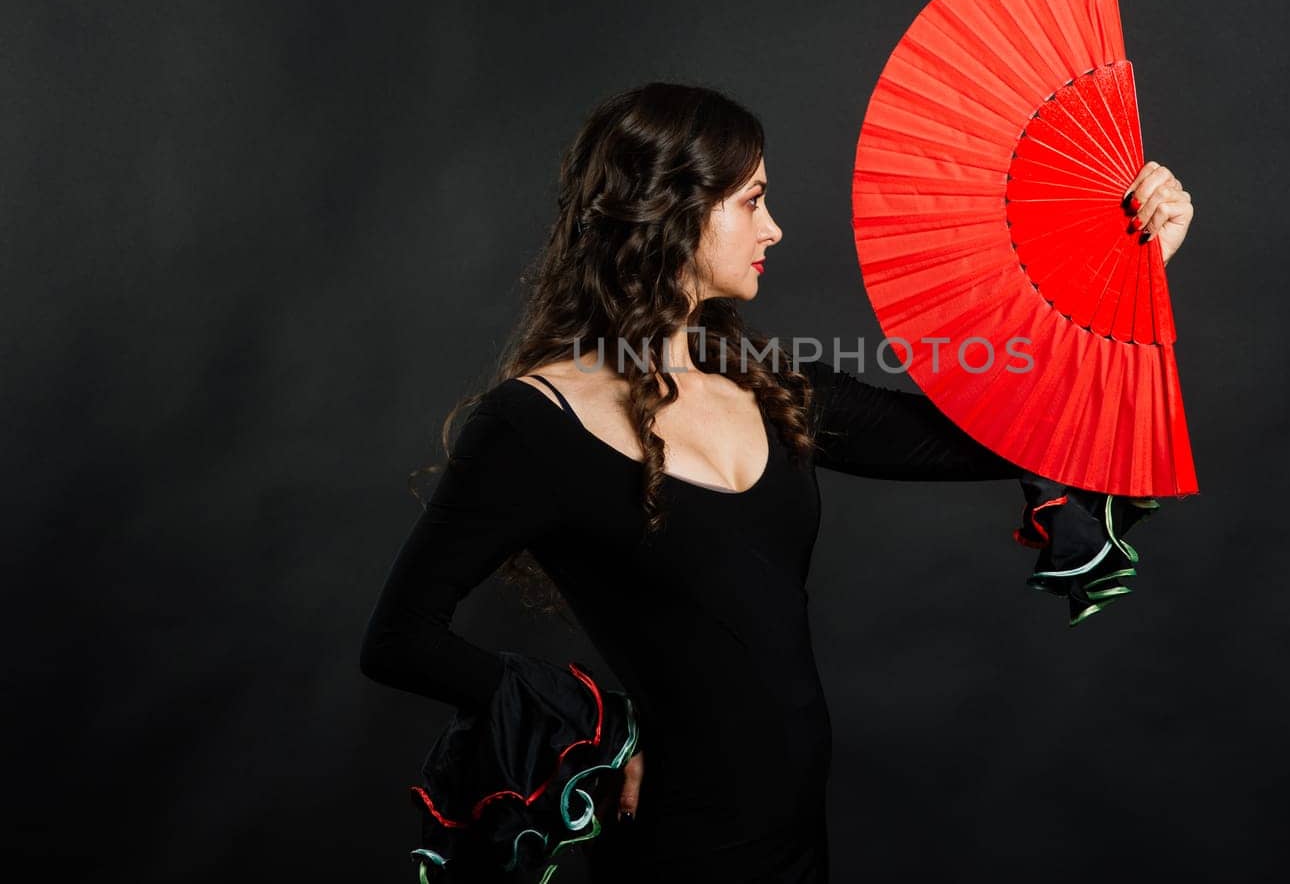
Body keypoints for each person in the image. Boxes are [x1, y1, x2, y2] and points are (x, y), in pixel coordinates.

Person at [359, 82, 1194, 882]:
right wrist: (594, 731)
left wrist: (1129, 265)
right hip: (672, 845)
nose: (778, 228)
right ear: (676, 212)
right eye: (754, 200)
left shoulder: (771, 388)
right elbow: (399, 638)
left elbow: (990, 433)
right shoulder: (532, 424)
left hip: (795, 828)